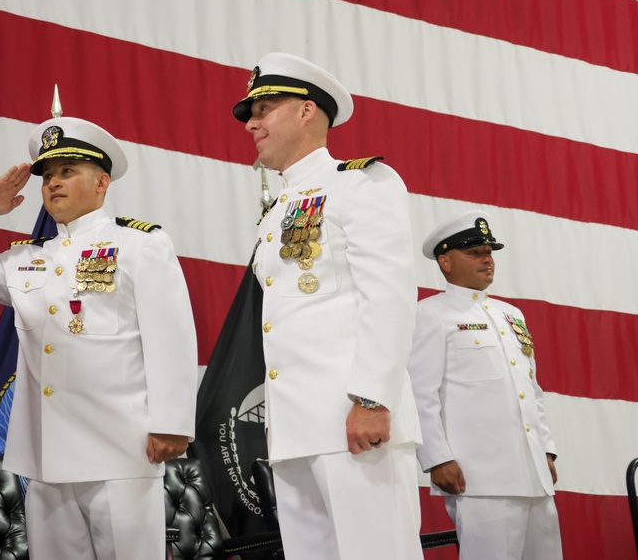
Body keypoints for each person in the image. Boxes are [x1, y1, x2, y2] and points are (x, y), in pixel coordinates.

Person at [0, 117, 198, 559]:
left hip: (121, 452)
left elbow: (171, 337)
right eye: (47, 175)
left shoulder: (139, 245)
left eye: (67, 171)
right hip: (45, 458)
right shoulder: (28, 259)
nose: (53, 183)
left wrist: (171, 424)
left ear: (102, 182)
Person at [234, 52, 423, 559]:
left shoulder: (360, 182)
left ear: (306, 111)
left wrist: (372, 400)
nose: (252, 123)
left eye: (264, 108)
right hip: (296, 428)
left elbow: (389, 294)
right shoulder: (277, 211)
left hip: (354, 421)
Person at [408, 210, 562, 559]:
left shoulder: (511, 315)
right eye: (474, 253)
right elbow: (420, 393)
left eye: (489, 252)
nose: (486, 260)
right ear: (445, 262)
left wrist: (546, 450)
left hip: (532, 472)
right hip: (480, 476)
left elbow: (531, 388)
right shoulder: (430, 314)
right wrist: (436, 459)